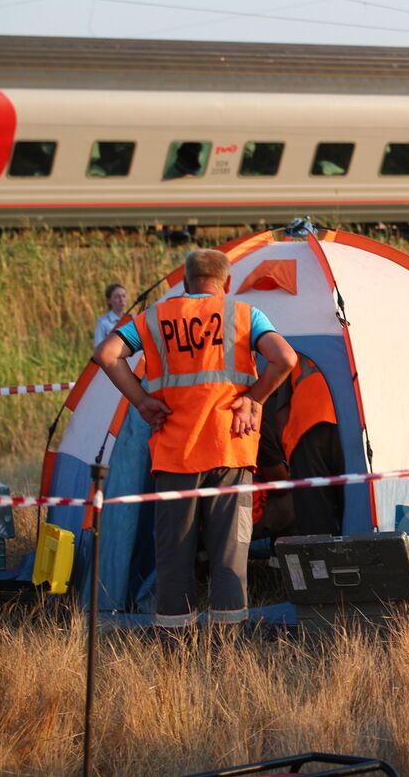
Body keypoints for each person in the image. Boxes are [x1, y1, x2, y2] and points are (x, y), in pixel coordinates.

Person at [95, 249, 297, 630]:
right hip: (230, 450)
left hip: (174, 455)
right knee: (229, 558)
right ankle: (229, 648)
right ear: (228, 284)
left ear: (185, 283)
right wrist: (254, 399)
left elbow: (107, 354)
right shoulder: (245, 315)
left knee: (173, 558)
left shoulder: (154, 318)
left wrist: (141, 401)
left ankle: (175, 649)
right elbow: (285, 358)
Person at [280, 355, 344, 536]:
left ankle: (321, 562)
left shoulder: (293, 342)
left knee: (315, 518)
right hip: (351, 426)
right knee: (355, 508)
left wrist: (288, 453)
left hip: (306, 429)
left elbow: (282, 411)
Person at [93, 282, 128, 349]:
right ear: (109, 300)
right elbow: (98, 349)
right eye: (117, 297)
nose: (121, 300)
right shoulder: (103, 323)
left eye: (124, 296)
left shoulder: (132, 319)